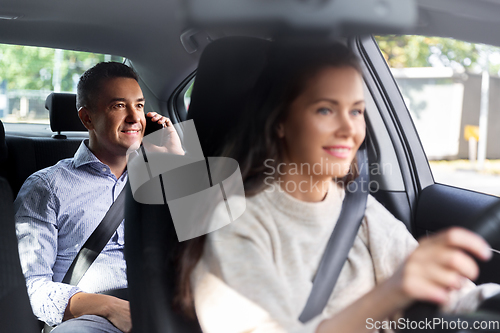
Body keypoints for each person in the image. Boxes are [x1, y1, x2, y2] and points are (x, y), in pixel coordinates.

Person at [174, 42, 500, 333]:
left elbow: (458, 297)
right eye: (326, 109)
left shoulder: (360, 208)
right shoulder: (236, 224)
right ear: (280, 121)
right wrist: (390, 293)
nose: (349, 128)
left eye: (356, 111)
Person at [15, 62, 183, 333]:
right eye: (118, 106)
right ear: (87, 118)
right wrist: (111, 308)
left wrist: (176, 162)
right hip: (91, 320)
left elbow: (216, 246)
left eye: (139, 105)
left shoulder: (162, 176)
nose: (134, 117)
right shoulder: (46, 186)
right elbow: (30, 286)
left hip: (167, 308)